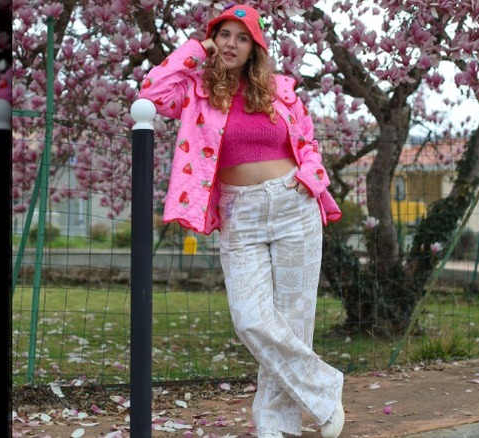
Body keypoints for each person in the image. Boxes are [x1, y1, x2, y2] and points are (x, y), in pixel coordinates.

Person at [138, 4, 345, 437]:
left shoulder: (280, 89)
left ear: (256, 47)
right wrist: (198, 46)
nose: (231, 44)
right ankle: (326, 389)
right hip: (240, 213)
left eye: (241, 37)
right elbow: (152, 92)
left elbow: (306, 142)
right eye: (224, 35)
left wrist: (307, 178)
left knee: (291, 322)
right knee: (251, 318)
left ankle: (275, 424)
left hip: (293, 206)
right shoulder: (196, 90)